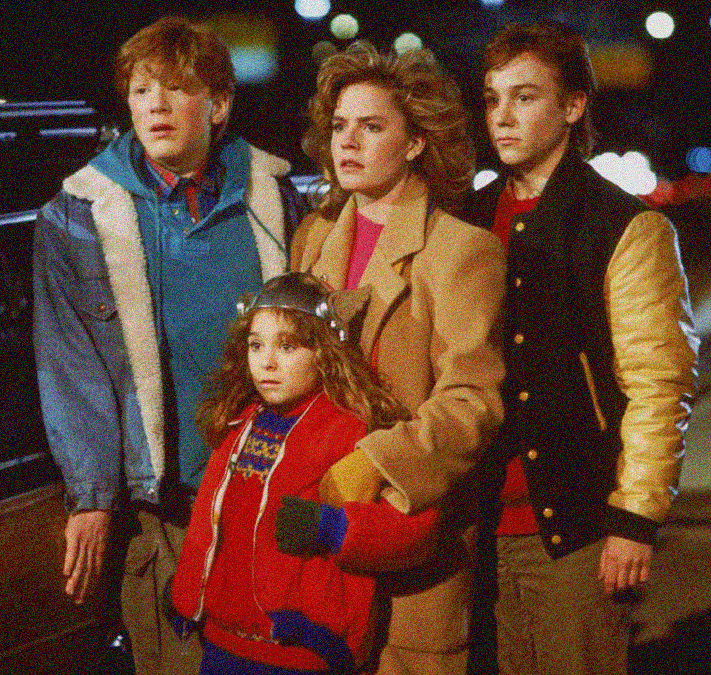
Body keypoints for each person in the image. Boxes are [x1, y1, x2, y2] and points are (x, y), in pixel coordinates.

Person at [32, 16, 306, 675]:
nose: (155, 104)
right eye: (140, 89)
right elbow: (71, 368)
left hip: (270, 499)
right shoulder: (77, 215)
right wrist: (92, 496)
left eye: (176, 88)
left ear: (219, 105)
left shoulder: (272, 196)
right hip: (167, 514)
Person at [465, 20, 700, 675]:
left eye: (525, 97)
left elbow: (659, 382)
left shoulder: (624, 225)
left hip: (574, 525)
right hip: (474, 524)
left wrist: (635, 518)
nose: (502, 115)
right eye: (492, 98)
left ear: (573, 106)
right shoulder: (468, 216)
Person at [292, 42, 506, 675]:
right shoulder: (314, 237)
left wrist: (375, 464)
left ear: (415, 142)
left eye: (371, 126)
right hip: (320, 529)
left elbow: (472, 401)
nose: (347, 141)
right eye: (339, 126)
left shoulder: (461, 249)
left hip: (412, 540)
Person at [168, 272, 441, 674]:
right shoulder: (240, 423)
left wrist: (333, 529)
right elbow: (208, 520)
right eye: (256, 345)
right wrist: (186, 594)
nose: (267, 362)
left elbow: (418, 525)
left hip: (300, 650)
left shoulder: (348, 430)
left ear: (323, 352)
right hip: (223, 643)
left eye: (288, 346)